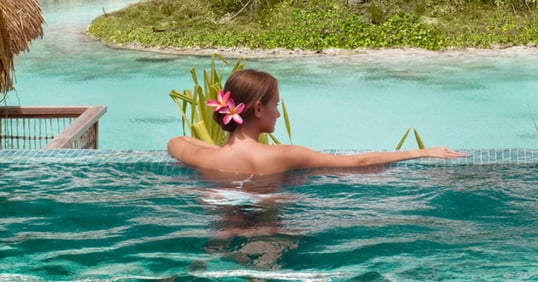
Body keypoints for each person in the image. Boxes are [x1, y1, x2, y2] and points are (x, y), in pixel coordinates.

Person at [167, 68, 466, 176]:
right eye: (276, 105)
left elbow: (175, 143)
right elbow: (360, 164)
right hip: (269, 235)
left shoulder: (207, 159)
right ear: (258, 108)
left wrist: (218, 148)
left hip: (223, 232)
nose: (279, 114)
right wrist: (423, 151)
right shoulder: (284, 155)